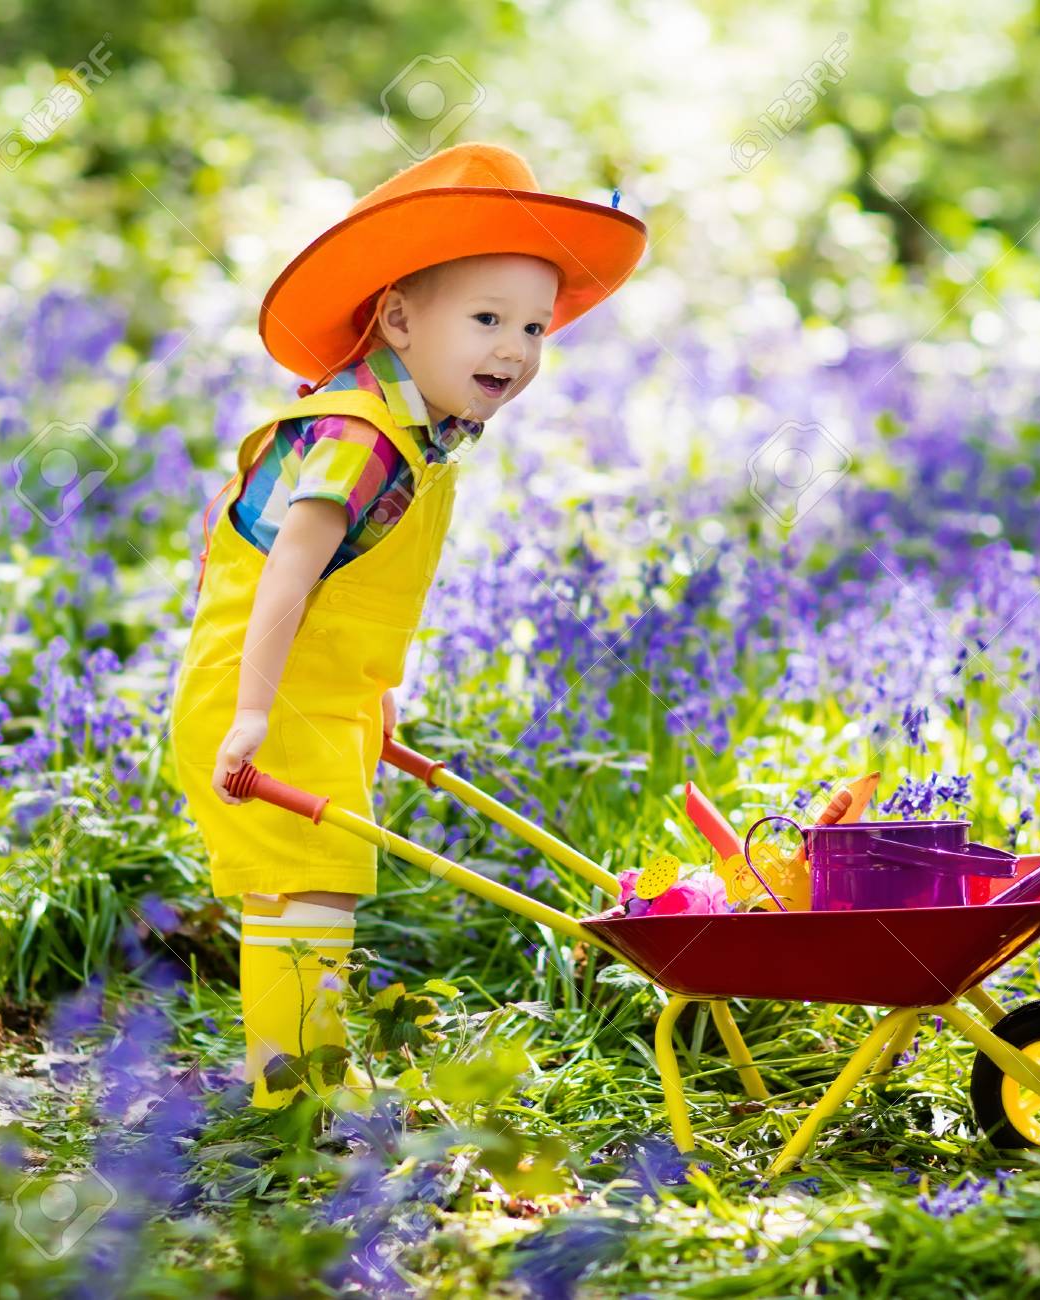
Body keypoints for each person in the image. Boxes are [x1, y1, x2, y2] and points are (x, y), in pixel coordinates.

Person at [168, 141, 647, 1107]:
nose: (516, 349)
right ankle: (293, 1096)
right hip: (262, 690)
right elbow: (288, 574)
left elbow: (357, 586)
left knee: (319, 886)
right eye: (487, 319)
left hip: (322, 696)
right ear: (397, 319)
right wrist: (253, 714)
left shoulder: (420, 437)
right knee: (308, 884)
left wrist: (376, 690)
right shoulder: (357, 436)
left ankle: (304, 1076)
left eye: (534, 327)